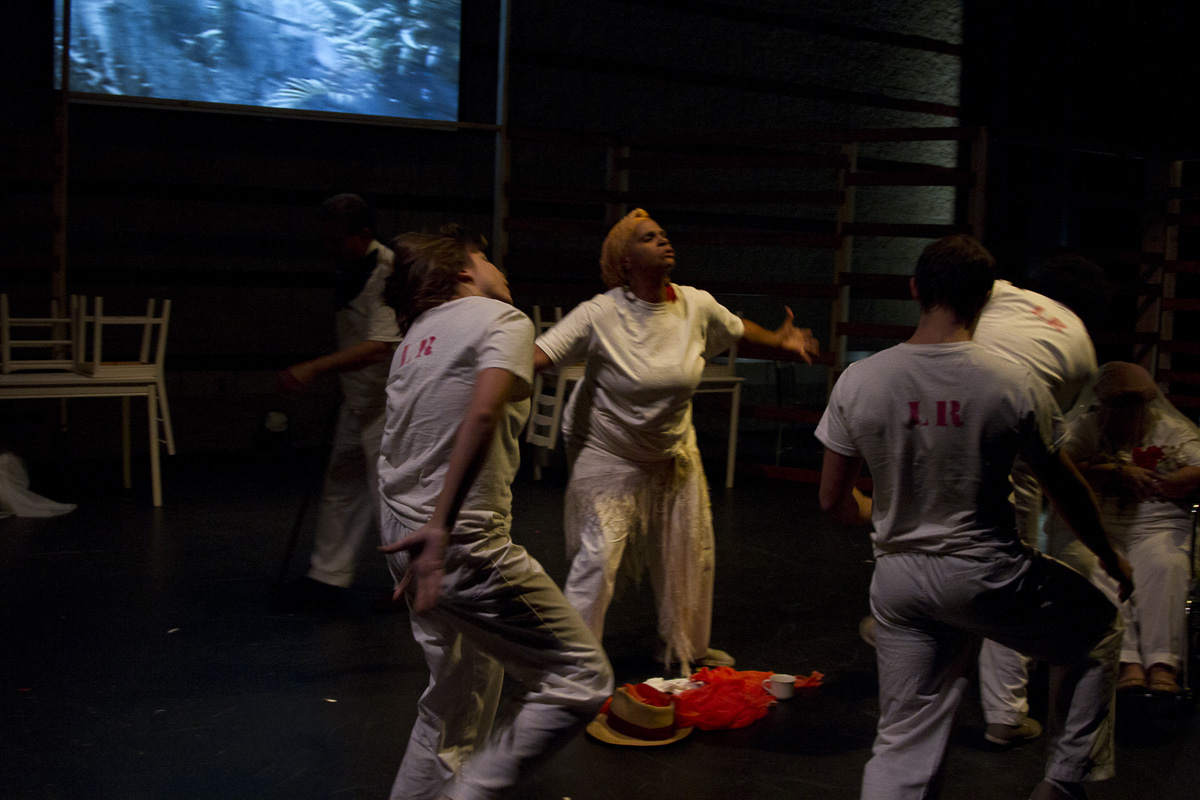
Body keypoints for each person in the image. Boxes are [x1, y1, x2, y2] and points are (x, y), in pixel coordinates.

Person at [816, 234, 1131, 800]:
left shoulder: (859, 380)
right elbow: (1066, 488)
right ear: (986, 299)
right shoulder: (1012, 381)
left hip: (898, 581)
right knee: (1099, 629)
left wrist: (887, 516)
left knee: (903, 738)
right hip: (986, 575)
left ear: (915, 289)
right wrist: (1110, 556)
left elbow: (832, 501)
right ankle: (1064, 782)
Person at [377, 227, 613, 800]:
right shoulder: (498, 317)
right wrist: (442, 526)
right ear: (463, 271)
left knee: (455, 698)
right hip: (453, 539)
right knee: (581, 677)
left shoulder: (415, 338)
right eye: (486, 259)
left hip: (403, 535)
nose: (499, 270)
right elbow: (481, 414)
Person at [533, 208, 820, 674]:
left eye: (663, 234)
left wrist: (778, 341)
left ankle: (686, 647)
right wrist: (482, 373)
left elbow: (738, 329)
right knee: (599, 558)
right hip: (609, 449)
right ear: (625, 262)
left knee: (691, 551)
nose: (663, 240)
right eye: (648, 238)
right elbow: (540, 354)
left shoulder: (695, 304)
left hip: (672, 450)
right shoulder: (601, 312)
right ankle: (575, 666)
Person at [971, 260, 1102, 746]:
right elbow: (1050, 439)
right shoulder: (1083, 349)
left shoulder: (1001, 292)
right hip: (1015, 449)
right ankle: (1004, 716)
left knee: (926, 533)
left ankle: (904, 619)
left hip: (942, 418)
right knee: (1011, 572)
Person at [276, 193, 402, 609]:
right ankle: (327, 576)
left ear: (363, 234)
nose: (330, 248)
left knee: (391, 497)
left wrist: (315, 368)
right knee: (341, 484)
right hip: (358, 398)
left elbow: (379, 346)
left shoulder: (388, 271)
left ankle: (413, 582)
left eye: (336, 240)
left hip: (388, 403)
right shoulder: (349, 268)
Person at [1064, 361, 1200, 695]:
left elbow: (1198, 466)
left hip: (1158, 522)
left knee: (1166, 565)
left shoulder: (1169, 429)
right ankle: (1126, 661)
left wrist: (1169, 482)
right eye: (1121, 406)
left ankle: (1162, 663)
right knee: (1094, 566)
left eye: (1136, 405)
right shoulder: (1086, 428)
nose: (1129, 413)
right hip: (1101, 524)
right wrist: (1111, 472)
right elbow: (1061, 468)